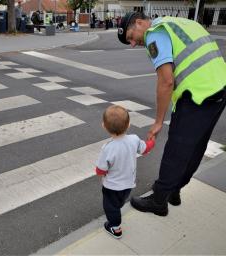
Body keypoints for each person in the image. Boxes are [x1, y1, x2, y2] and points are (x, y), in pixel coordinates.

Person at [117, 12, 226, 216]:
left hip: (197, 94)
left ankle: (159, 200)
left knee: (176, 149)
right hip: (219, 88)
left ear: (139, 23)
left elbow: (166, 81)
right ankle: (174, 190)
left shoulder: (154, 33)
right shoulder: (180, 22)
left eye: (131, 37)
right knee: (196, 146)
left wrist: (158, 121)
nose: (132, 44)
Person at [95, 105, 155, 238]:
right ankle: (118, 206)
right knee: (119, 201)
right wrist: (151, 141)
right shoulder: (134, 139)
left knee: (111, 207)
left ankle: (115, 227)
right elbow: (145, 149)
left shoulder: (108, 148)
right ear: (128, 125)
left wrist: (103, 173)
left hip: (112, 186)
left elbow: (100, 169)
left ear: (104, 126)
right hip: (128, 184)